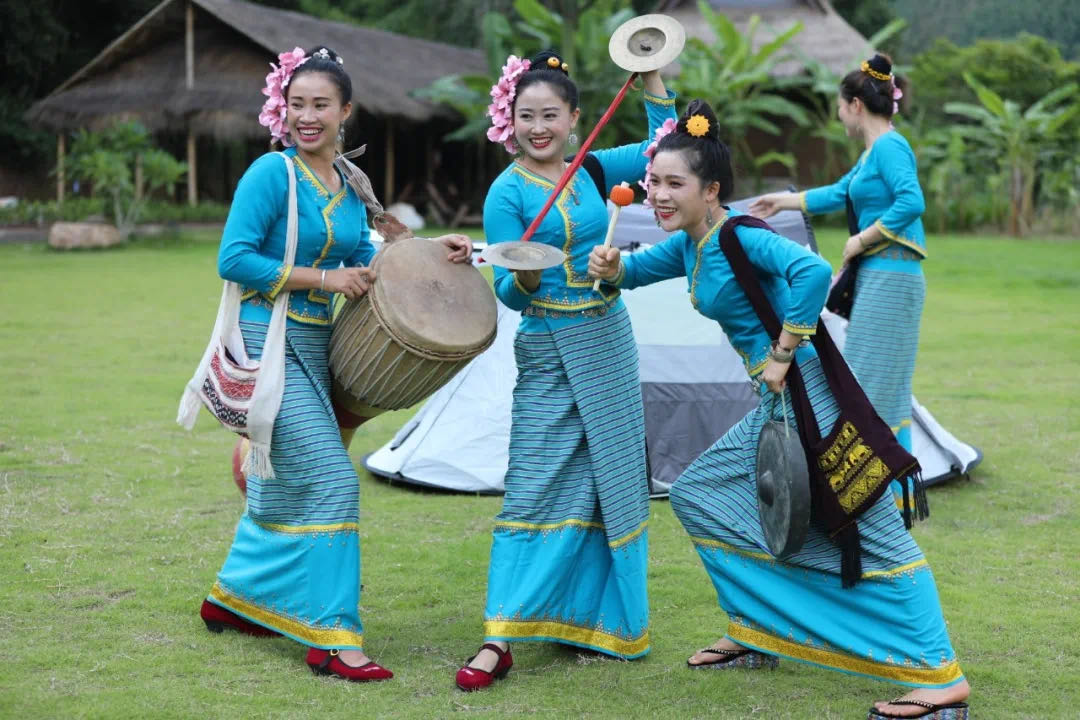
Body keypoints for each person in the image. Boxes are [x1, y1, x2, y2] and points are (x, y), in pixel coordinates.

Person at [589, 99, 970, 719]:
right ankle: (761, 626)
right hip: (780, 401)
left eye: (673, 183)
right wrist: (610, 268)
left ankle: (939, 677)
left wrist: (783, 350)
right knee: (699, 494)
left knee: (868, 523)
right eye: (654, 181)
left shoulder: (737, 235)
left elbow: (813, 271)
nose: (657, 194)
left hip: (810, 393)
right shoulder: (692, 242)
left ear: (711, 190)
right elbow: (630, 275)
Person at [194, 45, 471, 682]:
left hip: (320, 348)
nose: (307, 116)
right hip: (270, 342)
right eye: (297, 105)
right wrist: (324, 278)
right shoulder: (272, 174)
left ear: (346, 110)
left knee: (279, 480)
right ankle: (331, 640)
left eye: (321, 105)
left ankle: (233, 601)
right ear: (282, 110)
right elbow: (233, 260)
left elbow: (375, 248)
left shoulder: (350, 182)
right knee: (333, 481)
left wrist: (444, 249)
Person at [454, 50, 678, 692]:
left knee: (609, 478)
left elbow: (668, 143)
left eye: (551, 115)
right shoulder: (506, 192)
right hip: (549, 343)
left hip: (608, 337)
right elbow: (507, 293)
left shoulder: (597, 168)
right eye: (527, 117)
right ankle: (501, 635)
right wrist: (523, 276)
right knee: (534, 478)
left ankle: (602, 622)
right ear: (511, 122)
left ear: (576, 119)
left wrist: (653, 74)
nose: (539, 127)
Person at [750, 54, 925, 511]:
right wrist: (782, 201)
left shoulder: (890, 146)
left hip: (893, 273)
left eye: (839, 106)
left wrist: (861, 240)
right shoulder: (873, 153)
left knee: (874, 381)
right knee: (876, 380)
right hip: (881, 276)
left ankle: (888, 490)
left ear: (854, 105)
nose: (838, 114)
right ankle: (889, 489)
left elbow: (912, 200)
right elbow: (837, 193)